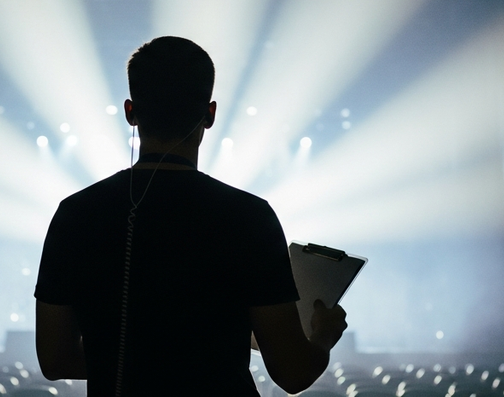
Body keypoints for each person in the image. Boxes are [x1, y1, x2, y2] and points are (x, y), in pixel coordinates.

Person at [35, 36, 347, 396]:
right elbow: (292, 374)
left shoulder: (76, 213)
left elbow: (55, 360)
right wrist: (323, 335)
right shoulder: (249, 217)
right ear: (210, 114)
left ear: (130, 112)